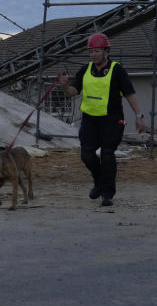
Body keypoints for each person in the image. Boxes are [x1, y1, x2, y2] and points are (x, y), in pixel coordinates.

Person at [56, 33, 145, 206]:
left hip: (112, 119)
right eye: (91, 52)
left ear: (106, 51)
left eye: (96, 51)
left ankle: (107, 194)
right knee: (87, 155)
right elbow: (74, 92)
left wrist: (138, 116)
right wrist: (65, 85)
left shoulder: (117, 70)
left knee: (107, 154)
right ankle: (98, 182)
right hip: (90, 119)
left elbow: (129, 94)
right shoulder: (85, 70)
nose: (93, 55)